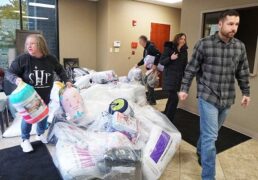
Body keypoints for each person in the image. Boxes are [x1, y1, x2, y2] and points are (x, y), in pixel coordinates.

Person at [178, 10, 251, 179]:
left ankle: (199, 150)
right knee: (211, 138)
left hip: (227, 98)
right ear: (220, 24)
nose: (234, 28)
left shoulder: (240, 47)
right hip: (207, 96)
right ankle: (208, 176)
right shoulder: (204, 44)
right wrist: (184, 88)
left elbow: (243, 72)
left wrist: (246, 92)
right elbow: (191, 69)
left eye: (236, 24)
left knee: (211, 134)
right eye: (230, 24)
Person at [6, 34, 72, 153]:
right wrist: (16, 79)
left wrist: (67, 80)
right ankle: (25, 140)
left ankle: (40, 134)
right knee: (28, 118)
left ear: (40, 44)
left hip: (45, 95)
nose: (28, 46)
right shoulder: (23, 59)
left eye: (32, 43)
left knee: (43, 115)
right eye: (27, 44)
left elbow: (60, 70)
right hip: (29, 98)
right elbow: (9, 73)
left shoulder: (51, 59)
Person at [160, 33, 188, 122]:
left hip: (178, 78)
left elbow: (185, 65)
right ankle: (169, 120)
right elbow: (162, 62)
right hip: (170, 77)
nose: (183, 41)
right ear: (177, 39)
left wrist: (185, 78)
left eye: (184, 39)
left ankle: (165, 115)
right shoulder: (169, 48)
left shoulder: (184, 51)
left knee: (172, 98)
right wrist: (170, 58)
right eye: (181, 39)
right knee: (175, 98)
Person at [135, 35, 161, 105]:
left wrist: (155, 65)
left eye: (140, 41)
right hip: (149, 69)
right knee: (147, 82)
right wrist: (138, 64)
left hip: (153, 68)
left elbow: (158, 54)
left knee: (150, 84)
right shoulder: (146, 49)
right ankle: (150, 98)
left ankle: (152, 101)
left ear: (143, 41)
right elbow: (144, 59)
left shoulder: (150, 47)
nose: (139, 43)